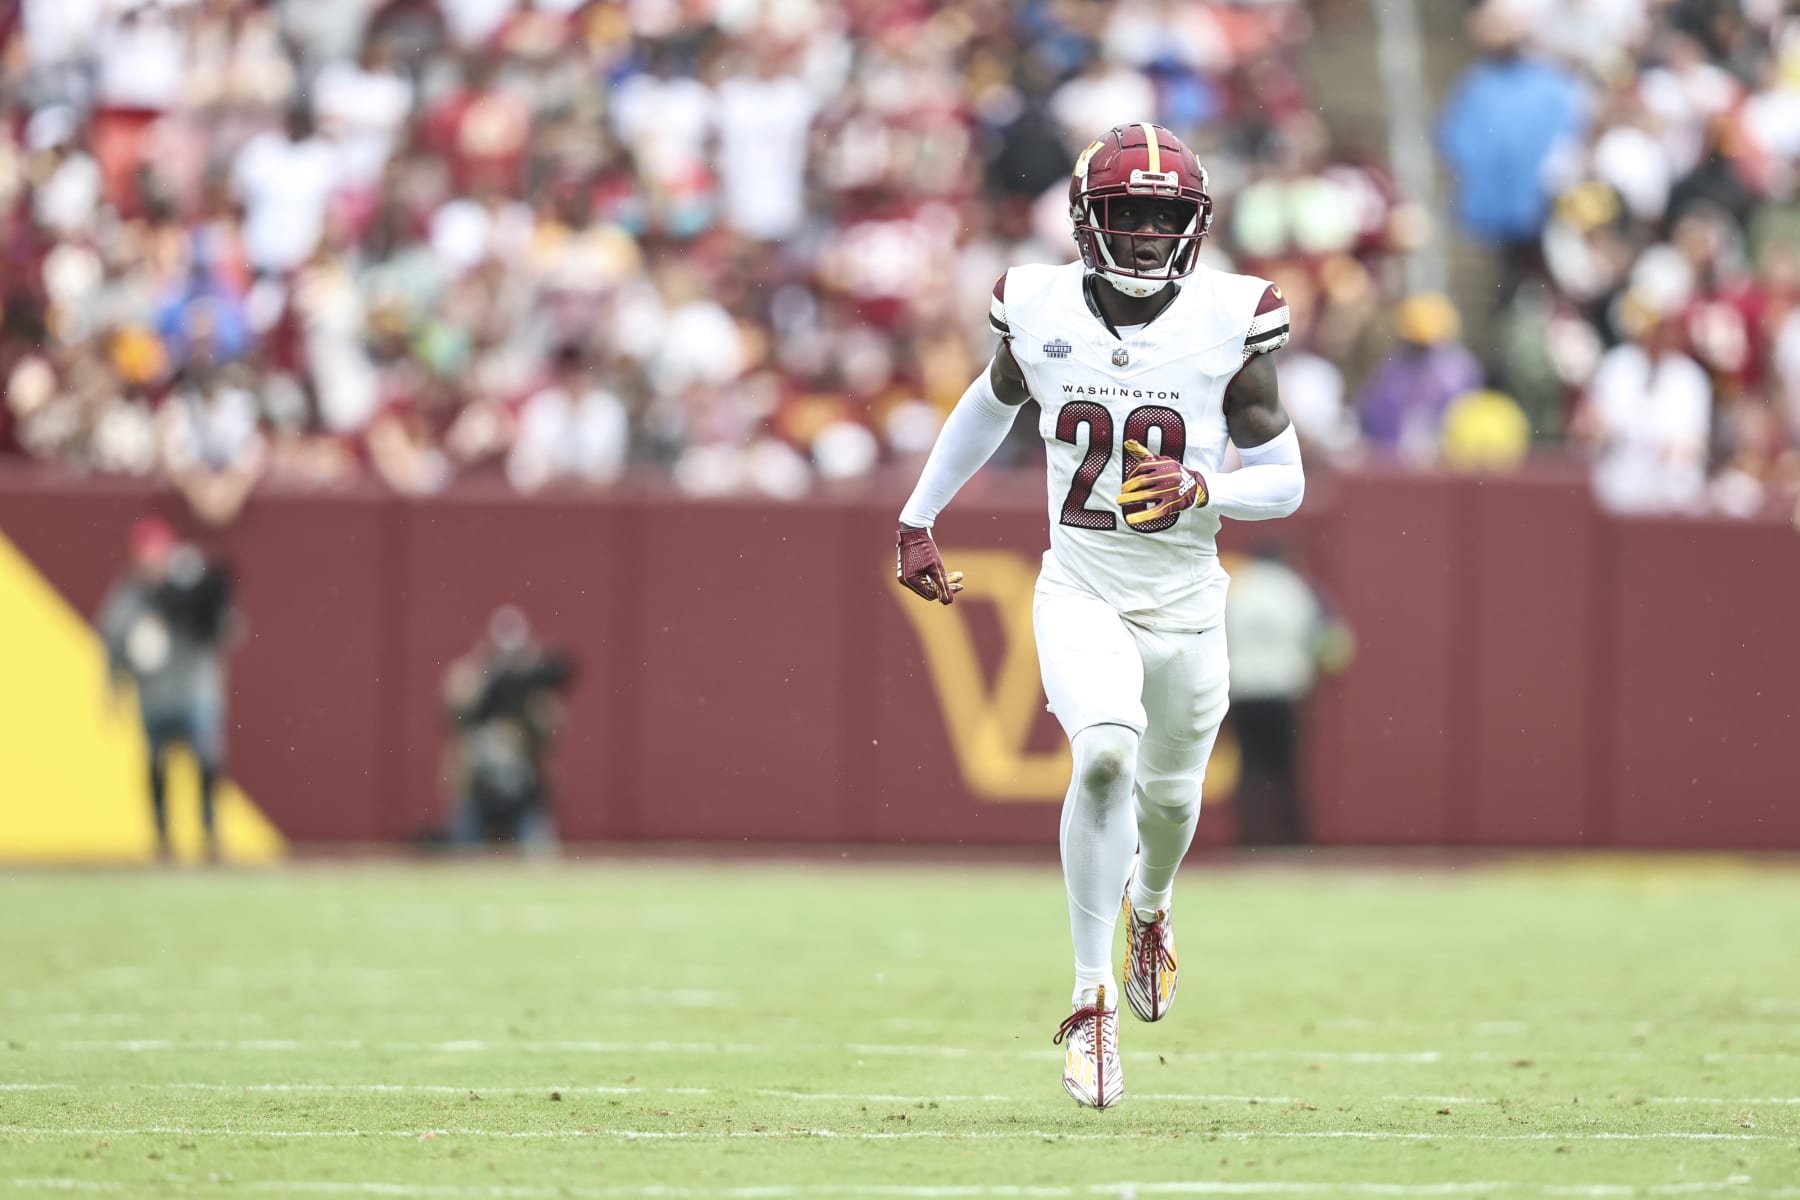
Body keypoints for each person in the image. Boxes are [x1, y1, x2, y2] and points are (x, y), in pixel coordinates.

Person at [894, 124, 1305, 1109]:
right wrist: (916, 517)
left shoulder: (1229, 316)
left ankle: (1150, 908)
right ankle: (1088, 1002)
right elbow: (991, 405)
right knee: (1107, 753)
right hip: (1080, 589)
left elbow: (1286, 482)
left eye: (1168, 216)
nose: (1151, 234)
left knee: (1166, 803)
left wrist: (1203, 486)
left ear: (1194, 225)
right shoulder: (1033, 306)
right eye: (1131, 214)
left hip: (1188, 606)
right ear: (1089, 220)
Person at [97, 517, 237, 862]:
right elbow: (114, 638)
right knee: (157, 764)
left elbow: (227, 628)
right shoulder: (130, 593)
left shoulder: (193, 581)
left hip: (195, 691)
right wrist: (113, 687)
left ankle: (210, 834)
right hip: (155, 695)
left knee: (206, 762)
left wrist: (198, 612)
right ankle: (162, 840)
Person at [1224, 542, 1354, 847]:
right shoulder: (1299, 589)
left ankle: (1249, 840)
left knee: (1248, 769)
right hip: (1285, 693)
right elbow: (1332, 642)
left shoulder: (1237, 589)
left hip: (1243, 692)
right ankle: (1293, 840)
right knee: (1288, 771)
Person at [441, 606, 575, 850]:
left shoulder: (534, 692)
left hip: (524, 791)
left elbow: (554, 730)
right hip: (478, 791)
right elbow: (454, 712)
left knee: (539, 856)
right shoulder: (472, 678)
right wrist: (485, 686)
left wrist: (530, 699)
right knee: (462, 857)